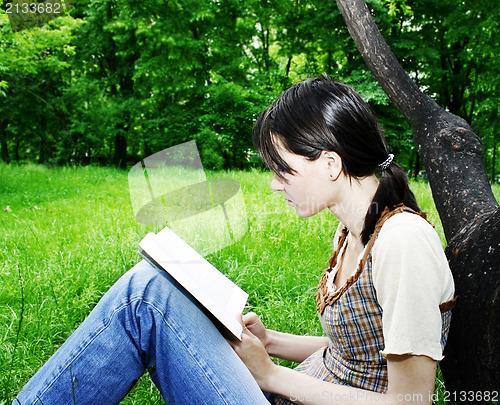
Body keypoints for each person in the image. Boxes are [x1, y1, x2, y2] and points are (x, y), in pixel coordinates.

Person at [14, 76, 455, 405]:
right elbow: (360, 354)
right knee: (154, 287)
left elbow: (411, 401)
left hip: (287, 394)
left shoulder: (402, 243)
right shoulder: (355, 229)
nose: (273, 185)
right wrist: (273, 342)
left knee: (144, 297)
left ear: (330, 163)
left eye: (283, 170)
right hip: (301, 389)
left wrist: (272, 376)